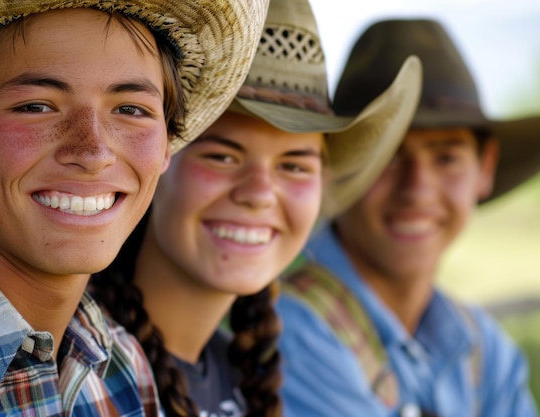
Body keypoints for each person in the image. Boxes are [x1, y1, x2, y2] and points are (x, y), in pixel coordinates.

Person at [0, 0, 270, 415]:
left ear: (166, 146)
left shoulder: (119, 362)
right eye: (37, 106)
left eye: (131, 110)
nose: (93, 151)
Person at [90, 0, 422, 416]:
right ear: (155, 162)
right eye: (222, 157)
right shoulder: (80, 369)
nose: (260, 193)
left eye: (294, 165)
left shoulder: (240, 375)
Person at [278, 18, 540, 417]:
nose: (417, 188)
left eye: (446, 157)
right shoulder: (291, 330)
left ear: (485, 168)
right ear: (340, 165)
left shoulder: (485, 350)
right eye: (386, 156)